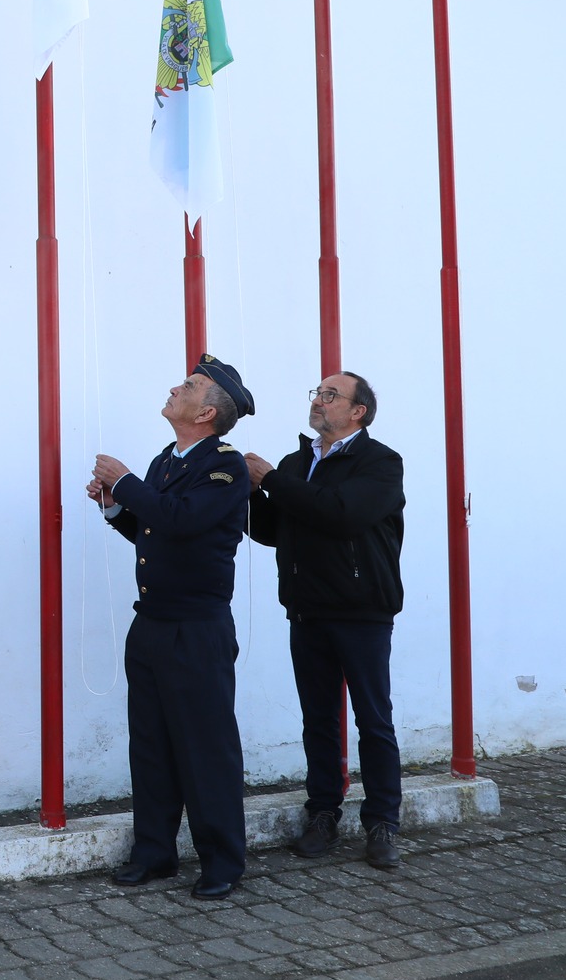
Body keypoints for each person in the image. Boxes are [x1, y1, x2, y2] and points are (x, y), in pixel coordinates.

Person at [88, 354, 255, 901]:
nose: (174, 388)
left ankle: (223, 860)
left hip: (196, 628)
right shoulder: (168, 459)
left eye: (187, 385)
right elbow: (154, 530)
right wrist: (117, 507)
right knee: (152, 745)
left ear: (207, 411)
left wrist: (128, 482)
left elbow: (182, 520)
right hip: (155, 623)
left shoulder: (224, 467)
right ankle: (154, 851)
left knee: (205, 746)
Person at [245, 373, 407, 870]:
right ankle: (322, 814)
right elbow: (275, 530)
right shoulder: (299, 463)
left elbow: (342, 515)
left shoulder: (380, 462)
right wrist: (247, 489)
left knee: (372, 721)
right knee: (318, 720)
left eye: (330, 394)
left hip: (362, 611)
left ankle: (382, 822)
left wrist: (271, 480)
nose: (318, 400)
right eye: (316, 393)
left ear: (358, 411)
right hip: (307, 609)